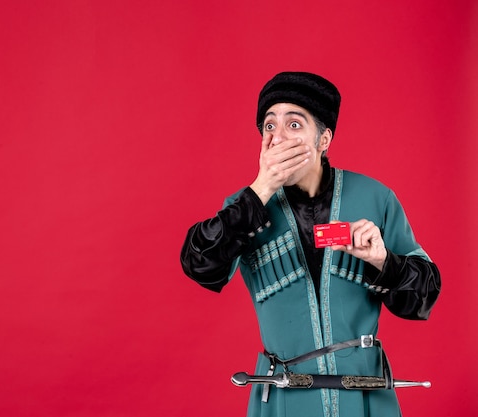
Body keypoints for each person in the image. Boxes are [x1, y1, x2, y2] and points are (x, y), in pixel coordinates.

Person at [180, 72, 441, 417]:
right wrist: (259, 191)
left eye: (294, 125)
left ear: (324, 139)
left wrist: (383, 260)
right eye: (269, 126)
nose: (278, 137)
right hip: (284, 395)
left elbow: (423, 295)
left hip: (364, 393)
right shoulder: (243, 209)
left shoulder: (376, 198)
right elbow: (199, 264)